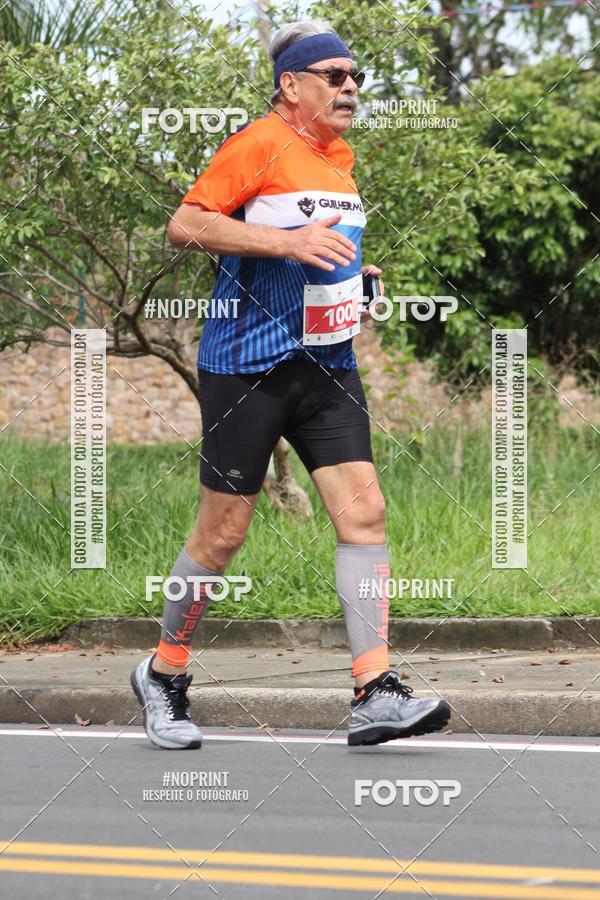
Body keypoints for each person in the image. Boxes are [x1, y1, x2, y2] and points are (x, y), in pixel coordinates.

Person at [131, 20, 450, 749]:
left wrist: (355, 279)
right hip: (248, 367)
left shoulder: (337, 161)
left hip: (327, 364)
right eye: (335, 76)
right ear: (292, 85)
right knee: (222, 535)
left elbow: (320, 250)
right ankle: (165, 671)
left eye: (356, 78)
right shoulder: (258, 144)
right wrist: (287, 242)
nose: (350, 87)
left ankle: (374, 690)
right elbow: (186, 223)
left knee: (364, 516)